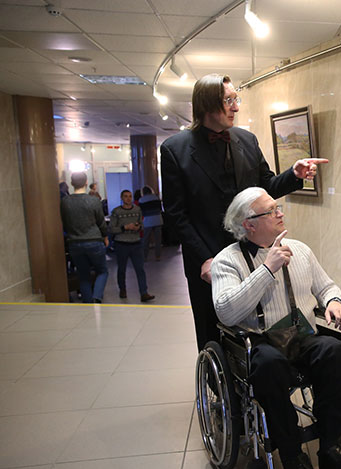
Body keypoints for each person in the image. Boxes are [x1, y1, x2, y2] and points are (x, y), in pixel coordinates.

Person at [212, 187, 341, 469]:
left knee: (334, 351)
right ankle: (294, 460)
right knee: (269, 366)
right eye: (272, 210)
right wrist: (268, 269)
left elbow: (326, 285)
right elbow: (226, 310)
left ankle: (333, 449)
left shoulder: (300, 250)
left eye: (278, 207)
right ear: (249, 224)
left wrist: (334, 302)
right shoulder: (228, 261)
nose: (281, 213)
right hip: (260, 343)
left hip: (301, 337)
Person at [161, 73, 327, 352]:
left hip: (253, 253)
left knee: (261, 327)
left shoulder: (247, 140)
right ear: (206, 104)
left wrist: (294, 175)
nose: (235, 107)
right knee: (211, 330)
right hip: (208, 260)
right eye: (228, 100)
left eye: (236, 99)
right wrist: (204, 259)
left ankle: (264, 384)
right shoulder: (174, 150)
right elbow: (177, 215)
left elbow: (267, 187)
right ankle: (219, 391)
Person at [60, 171, 108, 303]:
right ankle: (97, 297)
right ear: (86, 182)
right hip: (94, 241)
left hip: (75, 242)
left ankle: (87, 303)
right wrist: (105, 236)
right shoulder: (93, 200)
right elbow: (101, 222)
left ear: (71, 183)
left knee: (83, 275)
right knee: (102, 271)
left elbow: (64, 222)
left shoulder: (65, 202)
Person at [109, 190, 155, 302]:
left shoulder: (137, 210)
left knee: (140, 269)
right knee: (122, 269)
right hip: (122, 243)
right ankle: (122, 289)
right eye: (125, 196)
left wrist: (137, 227)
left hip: (136, 242)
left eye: (130, 196)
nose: (128, 199)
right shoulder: (116, 212)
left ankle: (144, 292)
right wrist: (125, 227)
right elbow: (111, 229)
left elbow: (142, 225)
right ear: (122, 198)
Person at [138, 185, 163, 261]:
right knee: (158, 240)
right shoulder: (156, 198)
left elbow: (142, 212)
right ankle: (158, 256)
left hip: (147, 221)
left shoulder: (141, 200)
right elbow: (160, 209)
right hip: (158, 219)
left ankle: (144, 257)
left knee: (146, 240)